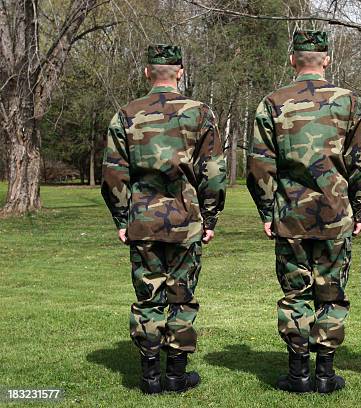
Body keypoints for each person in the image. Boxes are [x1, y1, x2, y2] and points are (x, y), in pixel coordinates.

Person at [246, 30, 361, 394]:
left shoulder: (273, 103)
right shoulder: (348, 102)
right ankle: (324, 373)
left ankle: (298, 372)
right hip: (335, 214)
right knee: (330, 293)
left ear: (293, 61)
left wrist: (267, 211)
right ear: (326, 60)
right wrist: (360, 209)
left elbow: (259, 166)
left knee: (295, 294)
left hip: (291, 216)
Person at [101, 44, 226, 394]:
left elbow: (114, 174)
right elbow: (213, 172)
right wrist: (211, 217)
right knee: (181, 299)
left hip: (143, 220)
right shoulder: (199, 113)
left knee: (149, 298)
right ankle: (176, 374)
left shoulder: (126, 115)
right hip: (186, 221)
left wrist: (121, 218)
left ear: (147, 73)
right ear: (180, 72)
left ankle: (150, 377)